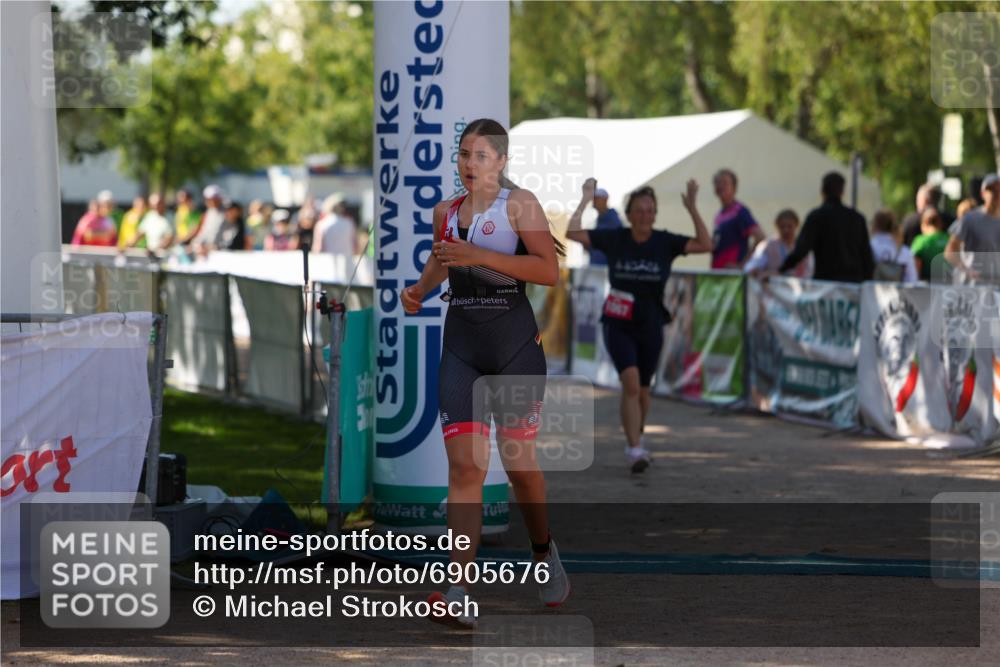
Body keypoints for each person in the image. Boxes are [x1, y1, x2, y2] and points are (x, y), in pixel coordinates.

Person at [400, 118, 568, 628]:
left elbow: (548, 272)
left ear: (501, 161)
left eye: (479, 156)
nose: (469, 164)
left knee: (520, 468)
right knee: (466, 468)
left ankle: (543, 551)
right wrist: (418, 290)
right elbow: (444, 262)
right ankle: (457, 588)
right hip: (463, 349)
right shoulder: (445, 211)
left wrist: (479, 254)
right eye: (463, 155)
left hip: (515, 348)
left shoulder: (521, 205)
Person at [566, 177, 713, 472]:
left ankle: (637, 437)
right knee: (630, 384)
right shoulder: (616, 238)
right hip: (618, 323)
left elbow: (705, 244)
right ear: (629, 213)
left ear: (655, 215)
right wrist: (584, 200)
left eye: (650, 210)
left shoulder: (664, 241)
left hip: (650, 323)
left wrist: (693, 208)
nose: (645, 215)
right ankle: (634, 449)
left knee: (643, 391)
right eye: (640, 210)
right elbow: (572, 232)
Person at [779, 172, 875, 282]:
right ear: (842, 192)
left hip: (826, 284)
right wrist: (867, 281)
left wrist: (780, 270)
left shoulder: (816, 216)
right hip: (853, 285)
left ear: (822, 191)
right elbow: (866, 256)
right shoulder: (858, 219)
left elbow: (801, 250)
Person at [945, 173, 1000, 284]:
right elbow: (950, 251)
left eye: (999, 189)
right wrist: (967, 270)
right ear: (982, 193)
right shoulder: (970, 219)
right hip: (972, 287)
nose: (996, 194)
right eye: (991, 190)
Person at [710, 168, 765, 269]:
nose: (720, 186)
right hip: (718, 274)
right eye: (717, 183)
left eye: (725, 183)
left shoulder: (740, 212)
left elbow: (761, 238)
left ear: (734, 188)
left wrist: (742, 265)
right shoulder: (718, 215)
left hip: (733, 278)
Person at [743, 209, 813, 278]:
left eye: (789, 226)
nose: (786, 230)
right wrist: (755, 270)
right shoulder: (768, 245)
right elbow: (753, 265)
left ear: (796, 225)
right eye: (782, 227)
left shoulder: (802, 246)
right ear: (777, 226)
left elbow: (809, 270)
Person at [869, 209, 917, 283]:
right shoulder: (905, 251)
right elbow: (912, 280)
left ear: (874, 225)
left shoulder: (869, 247)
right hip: (898, 293)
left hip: (872, 293)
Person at [901, 183, 954, 247]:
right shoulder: (950, 220)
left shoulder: (910, 221)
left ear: (924, 200)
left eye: (918, 199)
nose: (916, 202)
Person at [184, 185, 228, 257]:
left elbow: (224, 237)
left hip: (220, 252)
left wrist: (210, 247)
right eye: (208, 199)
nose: (211, 201)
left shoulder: (227, 213)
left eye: (214, 198)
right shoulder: (209, 213)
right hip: (206, 252)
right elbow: (204, 232)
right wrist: (194, 244)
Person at [587, 187, 623, 266]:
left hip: (605, 271)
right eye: (594, 198)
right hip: (597, 269)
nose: (594, 201)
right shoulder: (599, 219)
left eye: (597, 198)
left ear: (605, 199)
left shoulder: (613, 220)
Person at [910, 209, 950, 281]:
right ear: (940, 223)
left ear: (924, 224)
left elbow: (915, 265)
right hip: (947, 283)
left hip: (926, 285)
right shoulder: (949, 239)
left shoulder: (920, 241)